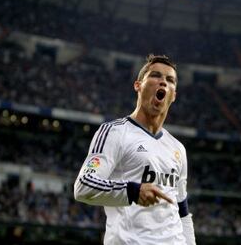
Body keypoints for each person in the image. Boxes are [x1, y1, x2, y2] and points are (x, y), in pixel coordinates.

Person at [74, 54, 196, 244]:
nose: (163, 82)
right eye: (156, 75)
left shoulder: (177, 148)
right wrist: (132, 191)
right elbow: (83, 186)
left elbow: (182, 210)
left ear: (173, 95)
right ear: (138, 85)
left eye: (170, 80)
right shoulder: (115, 132)